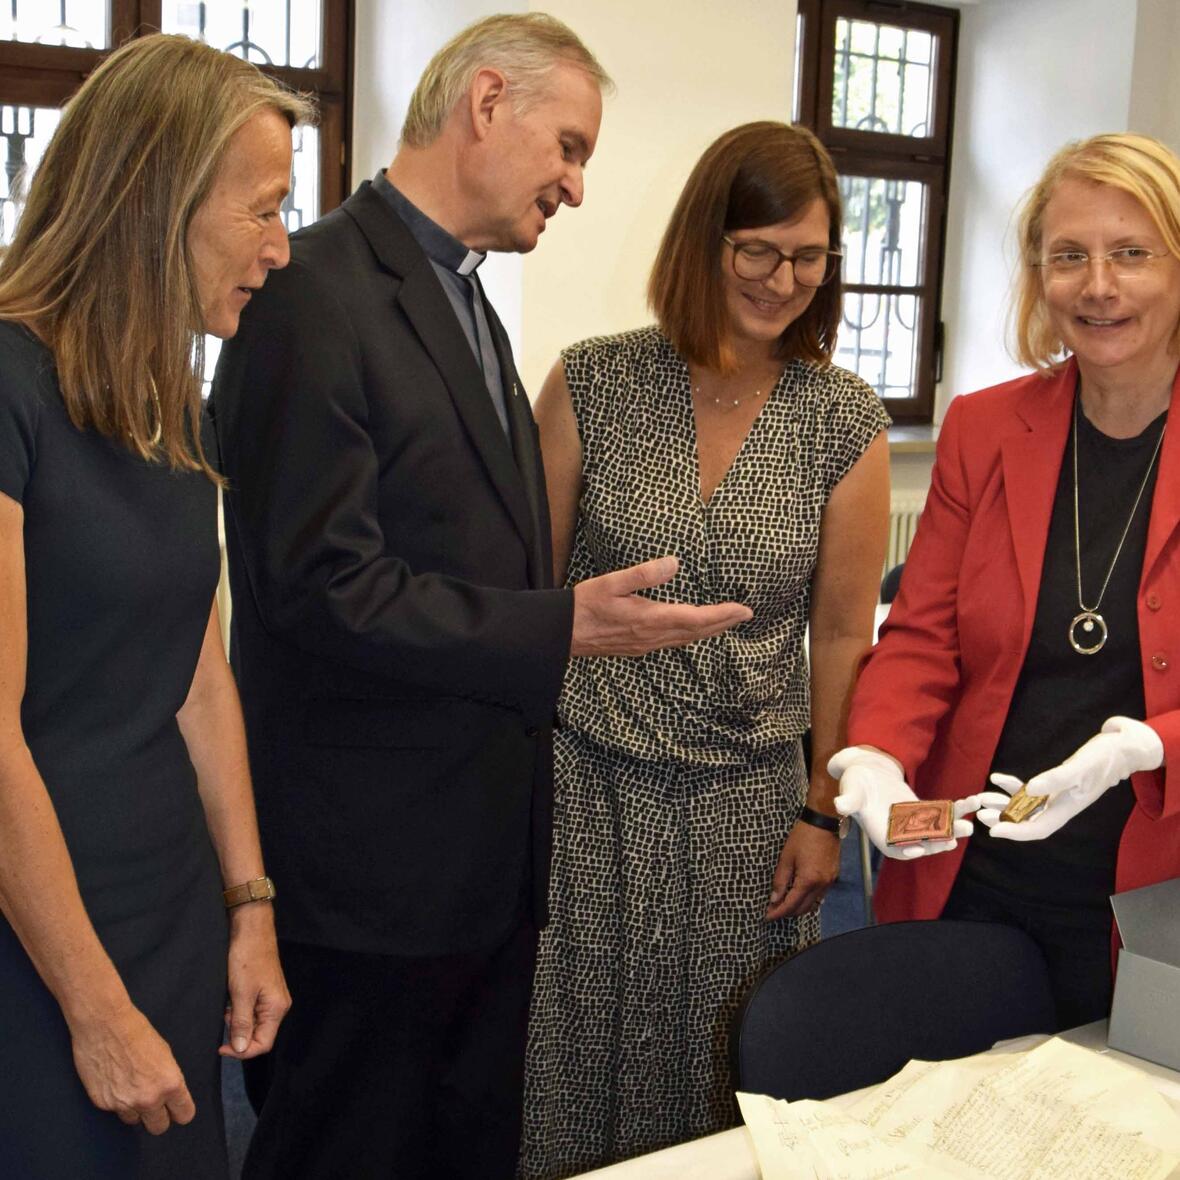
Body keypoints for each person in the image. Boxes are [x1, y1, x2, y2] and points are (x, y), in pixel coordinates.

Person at [209, 14, 750, 1180]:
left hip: (475, 870)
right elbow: (321, 586)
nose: (576, 185)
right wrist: (567, 625)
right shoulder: (313, 291)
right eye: (570, 146)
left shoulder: (463, 297)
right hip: (364, 887)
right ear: (487, 102)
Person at [519, 121, 891, 1177]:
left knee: (730, 1064)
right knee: (570, 1055)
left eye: (808, 257)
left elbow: (838, 634)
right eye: (757, 250)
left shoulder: (841, 419)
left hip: (750, 809)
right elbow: (531, 601)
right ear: (704, 241)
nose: (782, 280)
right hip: (589, 783)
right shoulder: (592, 383)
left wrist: (822, 810)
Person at [0, 34, 308, 1180]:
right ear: (157, 199)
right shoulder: (8, 386)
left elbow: (198, 669)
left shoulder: (172, 404)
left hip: (165, 908)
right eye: (263, 211)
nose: (281, 251)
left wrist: (249, 905)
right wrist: (90, 1006)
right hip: (39, 941)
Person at [830, 132, 1180, 1031]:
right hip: (974, 871)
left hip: (1151, 891)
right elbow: (923, 635)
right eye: (1069, 256)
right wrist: (875, 750)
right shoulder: (985, 428)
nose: (1097, 286)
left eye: (1131, 253)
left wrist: (1150, 747)